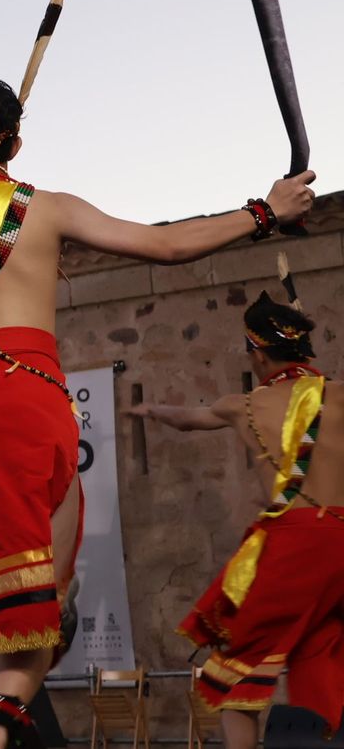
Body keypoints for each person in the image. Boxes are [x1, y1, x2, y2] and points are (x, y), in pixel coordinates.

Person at [0, 57, 315, 748]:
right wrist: (266, 210)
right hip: (20, 393)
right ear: (13, 145)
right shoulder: (44, 208)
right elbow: (164, 244)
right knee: (38, 588)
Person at [128, 292, 344, 744]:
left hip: (297, 543)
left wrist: (152, 410)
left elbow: (188, 419)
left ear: (258, 354)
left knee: (234, 678)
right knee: (326, 652)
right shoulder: (339, 396)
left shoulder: (242, 405)